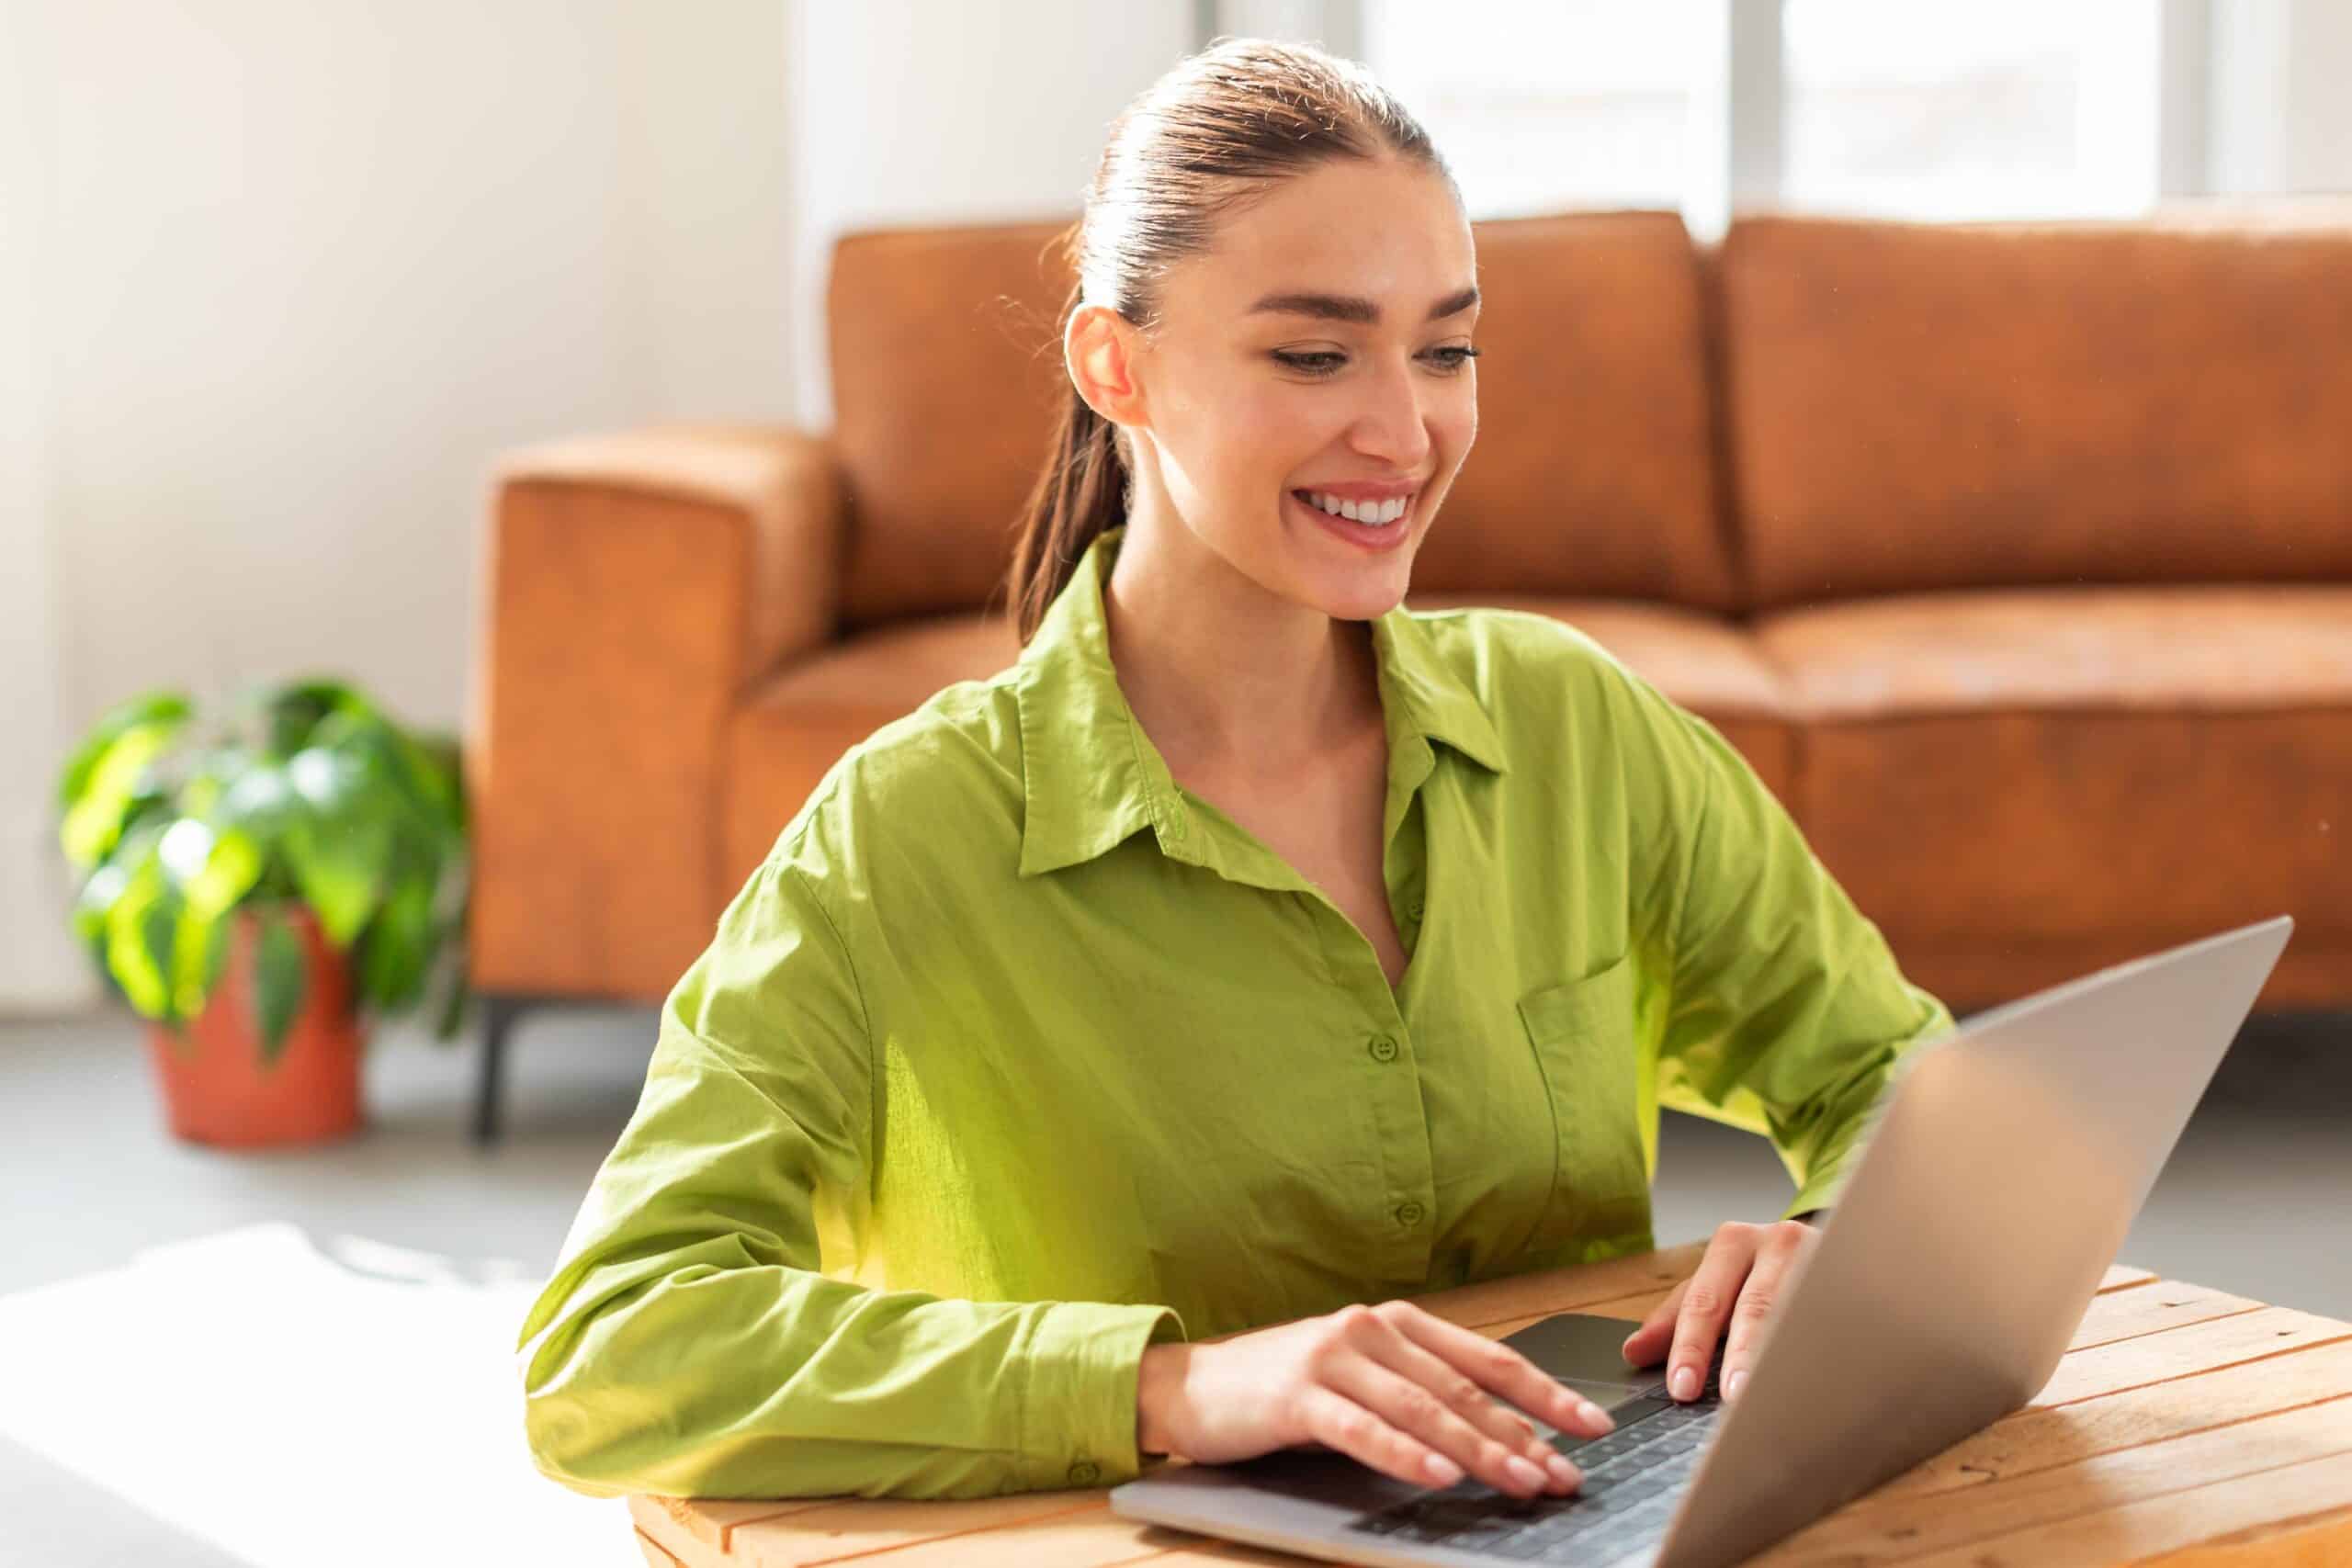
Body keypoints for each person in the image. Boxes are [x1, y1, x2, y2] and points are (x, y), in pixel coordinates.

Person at [514, 36, 1956, 1508]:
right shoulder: (905, 840)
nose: (1405, 432)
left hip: (1574, 1526)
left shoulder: (1574, 730)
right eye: (1314, 353)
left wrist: (1837, 1243)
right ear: (1114, 365)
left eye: (1445, 348)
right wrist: (1165, 1387)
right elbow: (614, 1347)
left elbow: (1899, 1077)